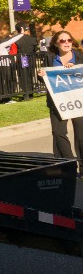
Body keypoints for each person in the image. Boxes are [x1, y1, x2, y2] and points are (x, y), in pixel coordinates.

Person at [38, 31, 83, 176]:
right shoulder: (50, 58)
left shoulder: (80, 57)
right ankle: (68, 165)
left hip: (79, 102)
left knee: (81, 136)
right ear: (56, 44)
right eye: (62, 41)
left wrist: (75, 69)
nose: (66, 43)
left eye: (69, 40)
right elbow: (45, 79)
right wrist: (41, 76)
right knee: (58, 133)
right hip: (58, 103)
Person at [12, 22, 39, 94]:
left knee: (23, 76)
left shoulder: (15, 40)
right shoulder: (33, 39)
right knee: (30, 75)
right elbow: (36, 49)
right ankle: (31, 92)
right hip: (31, 58)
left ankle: (25, 92)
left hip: (22, 58)